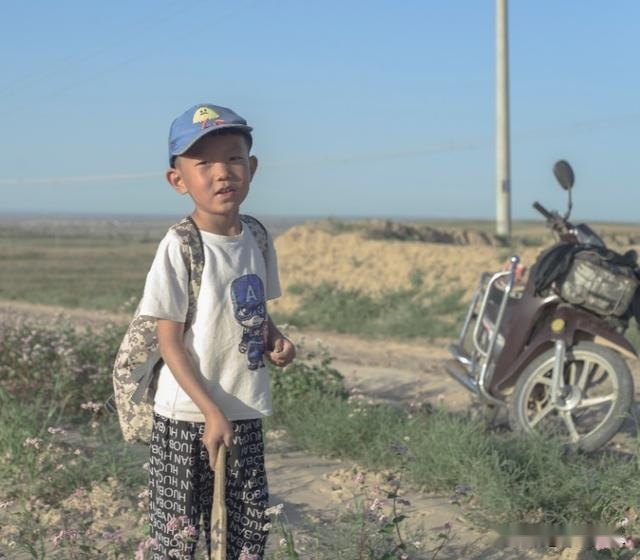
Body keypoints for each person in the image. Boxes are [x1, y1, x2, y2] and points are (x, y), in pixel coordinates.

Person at [138, 102, 296, 559]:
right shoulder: (180, 245)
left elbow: (252, 313)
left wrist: (276, 341)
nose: (221, 172)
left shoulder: (258, 237)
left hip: (243, 410)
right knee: (180, 540)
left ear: (252, 167)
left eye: (232, 158)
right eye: (203, 162)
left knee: (245, 539)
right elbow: (169, 341)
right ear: (178, 180)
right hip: (188, 417)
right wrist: (210, 412)